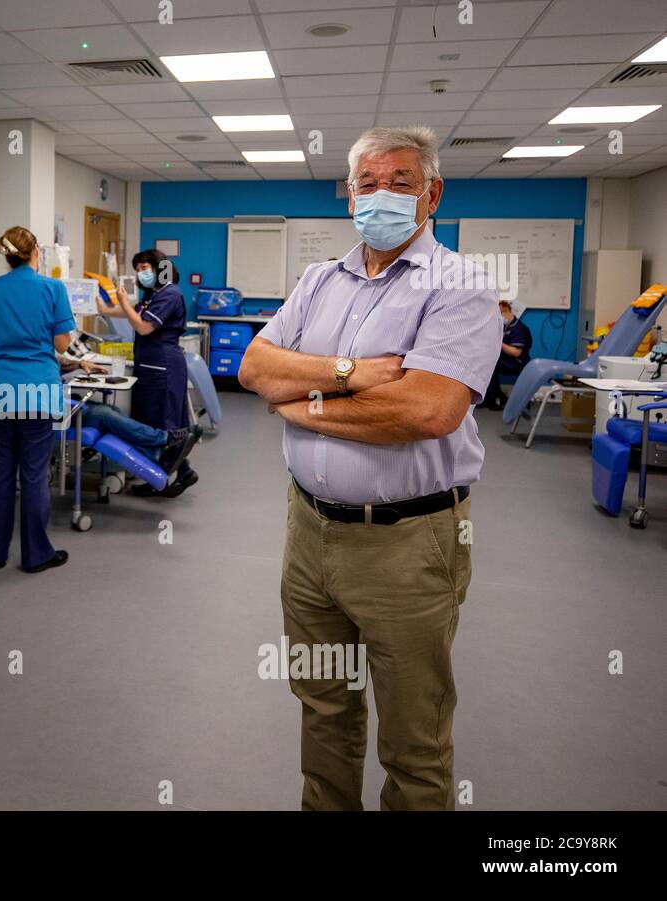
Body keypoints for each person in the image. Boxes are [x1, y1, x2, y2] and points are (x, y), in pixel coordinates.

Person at [238, 125, 502, 811]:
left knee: (414, 736)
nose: (380, 194)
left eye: (401, 182)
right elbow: (256, 367)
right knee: (323, 708)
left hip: (407, 545)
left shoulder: (461, 286)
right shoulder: (320, 280)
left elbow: (426, 410)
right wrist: (351, 373)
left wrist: (303, 406)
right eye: (367, 183)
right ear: (349, 193)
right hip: (309, 535)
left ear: (432, 193)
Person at [0, 226, 73, 573]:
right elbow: (62, 344)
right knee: (33, 474)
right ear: (35, 252)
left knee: (1, 472)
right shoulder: (52, 288)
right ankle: (35, 555)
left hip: (1, 388)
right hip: (38, 388)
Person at [95, 249, 198, 498]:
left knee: (164, 422)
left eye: (145, 268)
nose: (142, 273)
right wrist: (105, 309)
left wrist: (120, 303)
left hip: (163, 366)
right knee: (153, 421)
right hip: (151, 364)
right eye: (138, 269)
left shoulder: (170, 294)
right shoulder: (154, 294)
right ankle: (176, 473)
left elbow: (142, 326)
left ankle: (166, 476)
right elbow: (134, 311)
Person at [59, 355, 201, 474]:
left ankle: (156, 454)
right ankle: (166, 438)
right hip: (53, 413)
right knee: (105, 414)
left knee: (113, 411)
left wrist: (80, 363)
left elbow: (58, 360)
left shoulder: (41, 349)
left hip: (63, 402)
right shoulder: (38, 353)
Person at [483, 300, 532, 410]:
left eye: (500, 313)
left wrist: (499, 343)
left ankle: (495, 399)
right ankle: (495, 397)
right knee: (486, 363)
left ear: (507, 312)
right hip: (506, 360)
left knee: (491, 366)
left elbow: (516, 352)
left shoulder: (518, 328)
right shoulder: (506, 327)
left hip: (517, 362)